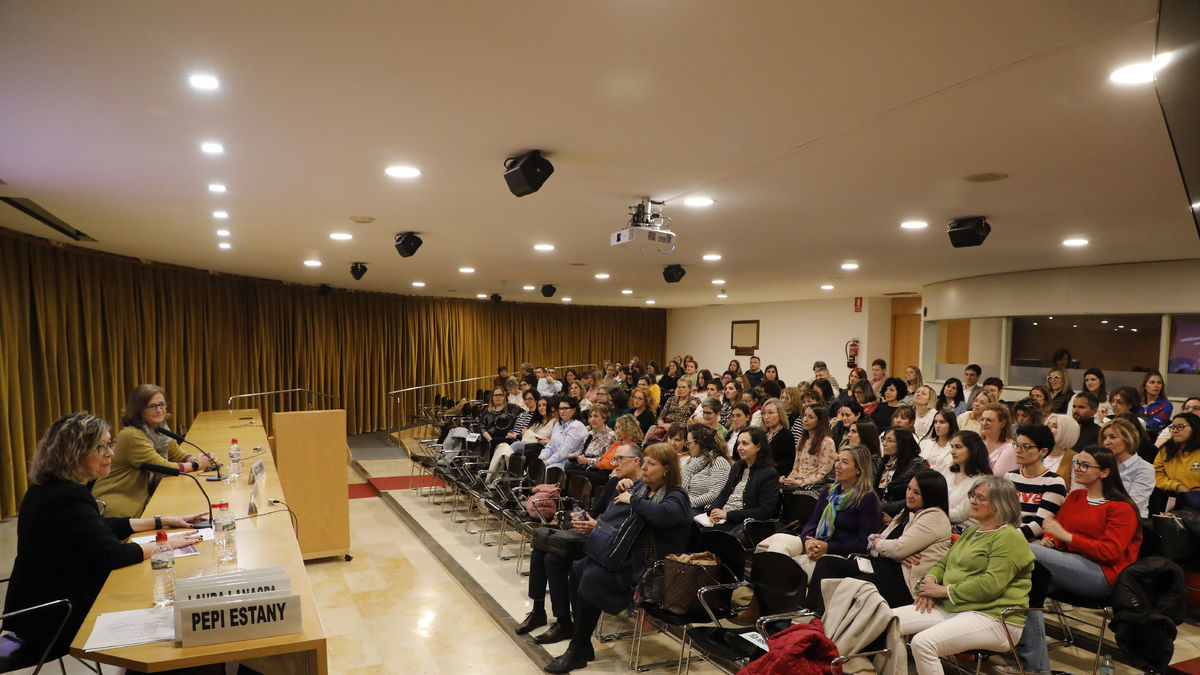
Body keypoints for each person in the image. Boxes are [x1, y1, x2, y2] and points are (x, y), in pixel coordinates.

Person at [3, 413, 206, 660]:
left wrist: (161, 521)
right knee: (161, 609)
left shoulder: (53, 487)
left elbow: (98, 528)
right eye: (101, 447)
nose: (110, 452)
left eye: (110, 444)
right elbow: (113, 555)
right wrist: (166, 544)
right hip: (54, 617)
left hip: (42, 603)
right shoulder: (65, 496)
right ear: (75, 453)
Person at [543, 443, 691, 673]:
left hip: (653, 569)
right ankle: (582, 645)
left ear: (667, 470)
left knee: (593, 577)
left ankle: (577, 649)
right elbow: (617, 516)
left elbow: (662, 515)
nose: (644, 467)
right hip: (628, 557)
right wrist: (624, 487)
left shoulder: (677, 495)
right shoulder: (644, 489)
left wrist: (633, 499)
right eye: (644, 462)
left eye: (651, 464)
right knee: (579, 567)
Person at [1015, 447, 1142, 675]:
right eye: (1076, 463)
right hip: (1069, 566)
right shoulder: (1076, 497)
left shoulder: (1122, 508)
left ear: (1104, 472)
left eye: (1085, 465)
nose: (1077, 469)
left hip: (1103, 576)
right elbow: (1058, 528)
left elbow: (1110, 552)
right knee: (1024, 585)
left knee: (1022, 548)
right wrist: (1051, 540)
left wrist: (1065, 537)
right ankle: (1035, 668)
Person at [893, 475, 1034, 675]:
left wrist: (942, 591)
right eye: (972, 495)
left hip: (994, 617)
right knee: (889, 622)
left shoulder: (1009, 536)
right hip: (959, 606)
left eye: (980, 498)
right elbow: (943, 563)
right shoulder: (971, 531)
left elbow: (990, 584)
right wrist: (930, 581)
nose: (973, 501)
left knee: (923, 643)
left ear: (1000, 504)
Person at [517, 442, 644, 643]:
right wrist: (582, 518)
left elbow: (628, 528)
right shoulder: (614, 483)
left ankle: (564, 622)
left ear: (636, 461)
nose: (615, 463)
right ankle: (538, 609)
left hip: (608, 546)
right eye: (615, 459)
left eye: (619, 459)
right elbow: (595, 511)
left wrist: (596, 526)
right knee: (540, 549)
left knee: (553, 557)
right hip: (592, 534)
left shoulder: (643, 492)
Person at [806, 469, 952, 614]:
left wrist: (884, 546)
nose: (909, 495)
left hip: (902, 580)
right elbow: (874, 547)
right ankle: (810, 614)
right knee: (826, 563)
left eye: (917, 493)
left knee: (851, 584)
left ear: (931, 496)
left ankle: (822, 623)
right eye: (909, 489)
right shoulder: (906, 512)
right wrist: (888, 549)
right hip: (880, 564)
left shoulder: (934, 517)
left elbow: (894, 548)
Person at [90, 384, 214, 518]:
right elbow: (162, 467)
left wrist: (197, 459)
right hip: (120, 505)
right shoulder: (132, 435)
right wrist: (196, 465)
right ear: (139, 409)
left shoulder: (160, 428)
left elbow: (176, 454)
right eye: (152, 406)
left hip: (143, 497)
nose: (159, 410)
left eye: (162, 404)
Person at [757, 444, 881, 578]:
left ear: (858, 469)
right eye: (837, 460)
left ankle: (769, 592)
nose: (837, 466)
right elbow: (811, 524)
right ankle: (766, 591)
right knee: (777, 544)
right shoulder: (828, 491)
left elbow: (864, 543)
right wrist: (808, 541)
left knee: (789, 565)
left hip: (839, 553)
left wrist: (828, 547)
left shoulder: (867, 498)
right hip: (815, 543)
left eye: (844, 462)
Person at [708, 427, 781, 539]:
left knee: (707, 536)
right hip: (724, 519)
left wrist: (728, 515)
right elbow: (724, 494)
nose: (739, 448)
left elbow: (765, 511)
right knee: (693, 528)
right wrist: (713, 510)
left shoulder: (768, 473)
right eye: (738, 443)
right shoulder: (738, 467)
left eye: (745, 444)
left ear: (758, 447)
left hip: (745, 526)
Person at [1004, 424, 1066, 541]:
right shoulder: (1010, 476)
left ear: (1043, 451)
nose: (1018, 450)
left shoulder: (1054, 483)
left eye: (1025, 446)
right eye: (1017, 445)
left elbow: (1039, 525)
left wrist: (1004, 537)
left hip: (1031, 542)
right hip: (1005, 535)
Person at [1099, 417, 1154, 517]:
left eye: (1112, 437)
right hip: (1099, 516)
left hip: (1129, 520)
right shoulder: (1100, 464)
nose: (1106, 442)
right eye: (1104, 438)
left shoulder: (1144, 468)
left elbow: (1133, 505)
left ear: (1128, 439)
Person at [942, 430, 991, 529]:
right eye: (952, 447)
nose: (952, 452)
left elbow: (959, 515)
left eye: (958, 447)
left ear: (973, 449)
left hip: (965, 531)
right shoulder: (948, 471)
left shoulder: (981, 481)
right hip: (943, 523)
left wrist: (933, 510)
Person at [781, 404, 836, 488]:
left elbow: (823, 475)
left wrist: (801, 482)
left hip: (812, 486)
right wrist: (788, 480)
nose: (805, 420)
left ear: (820, 421)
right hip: (798, 481)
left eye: (810, 417)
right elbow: (796, 469)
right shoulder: (801, 440)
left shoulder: (827, 442)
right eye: (805, 415)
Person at [876, 427, 927, 517]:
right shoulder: (883, 462)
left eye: (890, 440)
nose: (884, 444)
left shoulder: (915, 467)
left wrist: (882, 507)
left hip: (902, 515)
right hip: (880, 511)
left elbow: (911, 499)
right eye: (884, 439)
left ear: (902, 443)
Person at [1153, 412, 1200, 510]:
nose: (1174, 430)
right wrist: (1177, 486)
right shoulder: (1166, 450)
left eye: (1180, 427)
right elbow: (1156, 475)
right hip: (1176, 499)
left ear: (1194, 428)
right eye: (1173, 427)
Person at [682, 425, 733, 514]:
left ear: (700, 443)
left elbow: (715, 494)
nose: (687, 446)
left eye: (689, 443)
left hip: (702, 511)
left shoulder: (719, 462)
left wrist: (686, 503)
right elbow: (681, 489)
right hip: (688, 507)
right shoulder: (694, 462)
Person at [564, 404, 617, 482]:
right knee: (567, 465)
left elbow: (606, 461)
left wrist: (587, 461)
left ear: (604, 418)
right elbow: (583, 452)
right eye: (590, 416)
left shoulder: (611, 436)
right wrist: (573, 455)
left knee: (568, 471)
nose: (592, 420)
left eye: (596, 416)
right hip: (584, 465)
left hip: (597, 470)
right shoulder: (589, 434)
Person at [539, 397, 589, 470]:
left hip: (568, 463)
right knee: (535, 466)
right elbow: (550, 446)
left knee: (546, 470)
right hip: (554, 459)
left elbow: (565, 452)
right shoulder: (558, 424)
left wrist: (547, 462)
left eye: (565, 408)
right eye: (560, 409)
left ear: (574, 410)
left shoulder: (576, 426)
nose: (562, 411)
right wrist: (541, 458)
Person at [646, 378, 698, 443]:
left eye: (683, 387)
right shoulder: (671, 399)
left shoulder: (695, 401)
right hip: (665, 428)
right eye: (679, 387)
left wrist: (696, 406)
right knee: (652, 428)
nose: (681, 389)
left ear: (690, 389)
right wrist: (663, 425)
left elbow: (695, 418)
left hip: (681, 430)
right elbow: (661, 417)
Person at [1042, 413, 1079, 490]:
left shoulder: (1075, 458)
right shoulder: (1038, 455)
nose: (1048, 429)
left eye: (1055, 426)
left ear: (1066, 432)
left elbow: (1076, 492)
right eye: (1047, 425)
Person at [979, 403, 1017, 475]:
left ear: (1002, 424)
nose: (984, 423)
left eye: (989, 420)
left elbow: (997, 476)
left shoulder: (1010, 448)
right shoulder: (977, 443)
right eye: (982, 419)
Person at [760, 397, 795, 471]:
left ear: (780, 414)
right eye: (764, 413)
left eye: (770, 413)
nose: (766, 417)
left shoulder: (786, 435)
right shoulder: (762, 434)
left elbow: (787, 464)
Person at [919, 410, 958, 474]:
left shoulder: (956, 447)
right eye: (935, 422)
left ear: (951, 425)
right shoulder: (925, 443)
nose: (937, 426)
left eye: (942, 422)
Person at [1139, 370, 1173, 434]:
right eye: (1152, 382)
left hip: (1154, 438)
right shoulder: (1137, 403)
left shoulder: (1167, 405)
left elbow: (1155, 424)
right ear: (1144, 386)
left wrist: (1137, 423)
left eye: (1159, 383)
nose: (1156, 385)